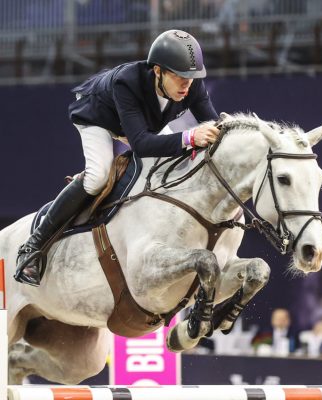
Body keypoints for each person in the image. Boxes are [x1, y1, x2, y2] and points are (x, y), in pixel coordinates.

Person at [13, 29, 221, 286]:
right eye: (179, 76)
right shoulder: (128, 82)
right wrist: (189, 138)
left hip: (140, 123)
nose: (187, 84)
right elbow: (142, 144)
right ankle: (32, 247)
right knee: (97, 177)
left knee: (173, 163)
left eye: (191, 76)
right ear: (158, 71)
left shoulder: (192, 84)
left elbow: (215, 124)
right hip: (98, 115)